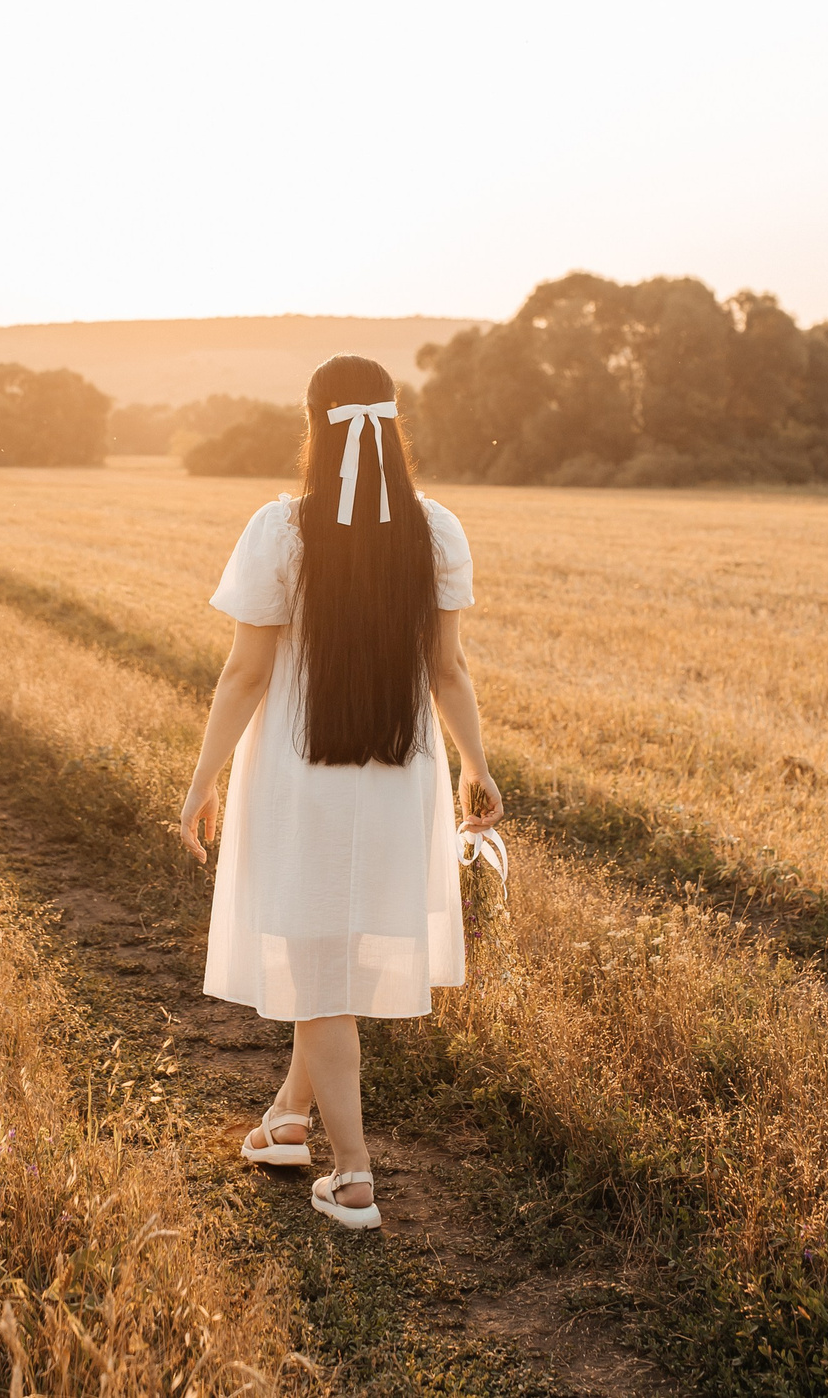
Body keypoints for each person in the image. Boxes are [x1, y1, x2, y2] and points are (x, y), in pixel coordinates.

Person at [175, 354, 504, 1231]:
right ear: (394, 426)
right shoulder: (435, 530)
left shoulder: (282, 529)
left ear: (314, 424)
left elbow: (246, 674)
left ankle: (353, 1175)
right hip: (400, 778)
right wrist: (476, 765)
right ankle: (286, 1122)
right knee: (330, 958)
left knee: (317, 965)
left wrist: (201, 779)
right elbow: (449, 668)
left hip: (299, 776)